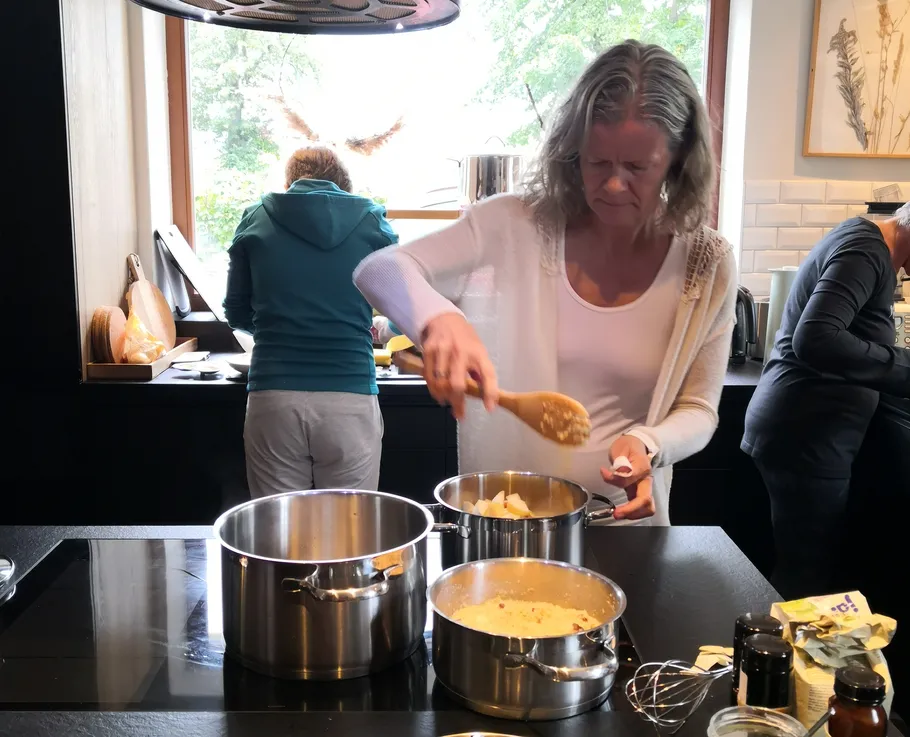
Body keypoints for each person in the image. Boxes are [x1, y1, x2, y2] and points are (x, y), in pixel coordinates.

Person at [354, 40, 737, 525]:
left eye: (638, 167)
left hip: (624, 524)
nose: (615, 184)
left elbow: (699, 408)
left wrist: (649, 443)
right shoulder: (512, 224)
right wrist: (438, 319)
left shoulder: (706, 263)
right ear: (573, 151)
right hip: (507, 525)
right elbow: (378, 269)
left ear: (678, 158)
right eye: (597, 162)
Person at [741, 202, 910, 599]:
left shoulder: (865, 246)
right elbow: (817, 337)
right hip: (808, 435)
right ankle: (774, 660)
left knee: (803, 570)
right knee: (804, 579)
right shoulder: (865, 251)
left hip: (805, 432)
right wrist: (904, 369)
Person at [224, 146, 398, 497]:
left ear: (290, 184)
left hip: (273, 397)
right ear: (343, 185)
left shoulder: (256, 217)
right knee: (352, 531)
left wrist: (282, 326)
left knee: (279, 535)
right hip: (350, 397)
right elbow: (405, 311)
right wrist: (380, 328)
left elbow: (236, 312)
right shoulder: (373, 223)